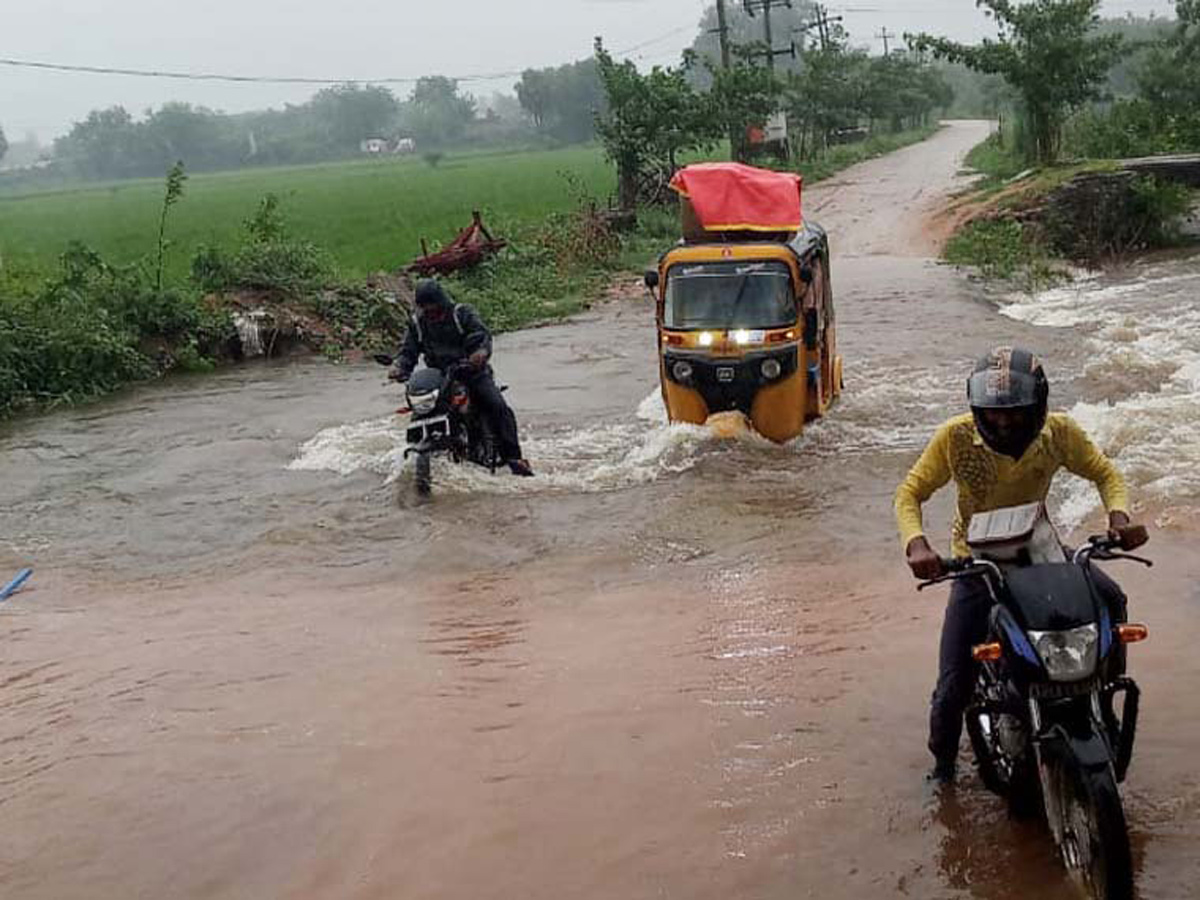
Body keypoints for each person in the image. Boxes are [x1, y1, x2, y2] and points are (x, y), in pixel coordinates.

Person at [894, 347, 1147, 784]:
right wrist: (917, 545)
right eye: (993, 415)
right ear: (977, 410)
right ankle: (943, 766)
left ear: (1039, 406)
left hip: (1040, 547)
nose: (1004, 422)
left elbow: (1106, 475)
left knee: (1110, 598)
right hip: (977, 562)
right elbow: (909, 494)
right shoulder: (955, 438)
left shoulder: (1059, 433)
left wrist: (1119, 519)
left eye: (1014, 413)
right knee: (955, 680)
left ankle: (1102, 697)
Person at [390, 280, 534, 476]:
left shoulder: (462, 314)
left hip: (471, 371)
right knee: (420, 412)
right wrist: (399, 367)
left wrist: (480, 353)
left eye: (432, 305)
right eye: (425, 307)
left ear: (441, 301)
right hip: (439, 377)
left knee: (498, 406)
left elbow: (481, 335)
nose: (430, 311)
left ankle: (515, 458)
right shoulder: (417, 324)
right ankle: (414, 457)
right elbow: (408, 351)